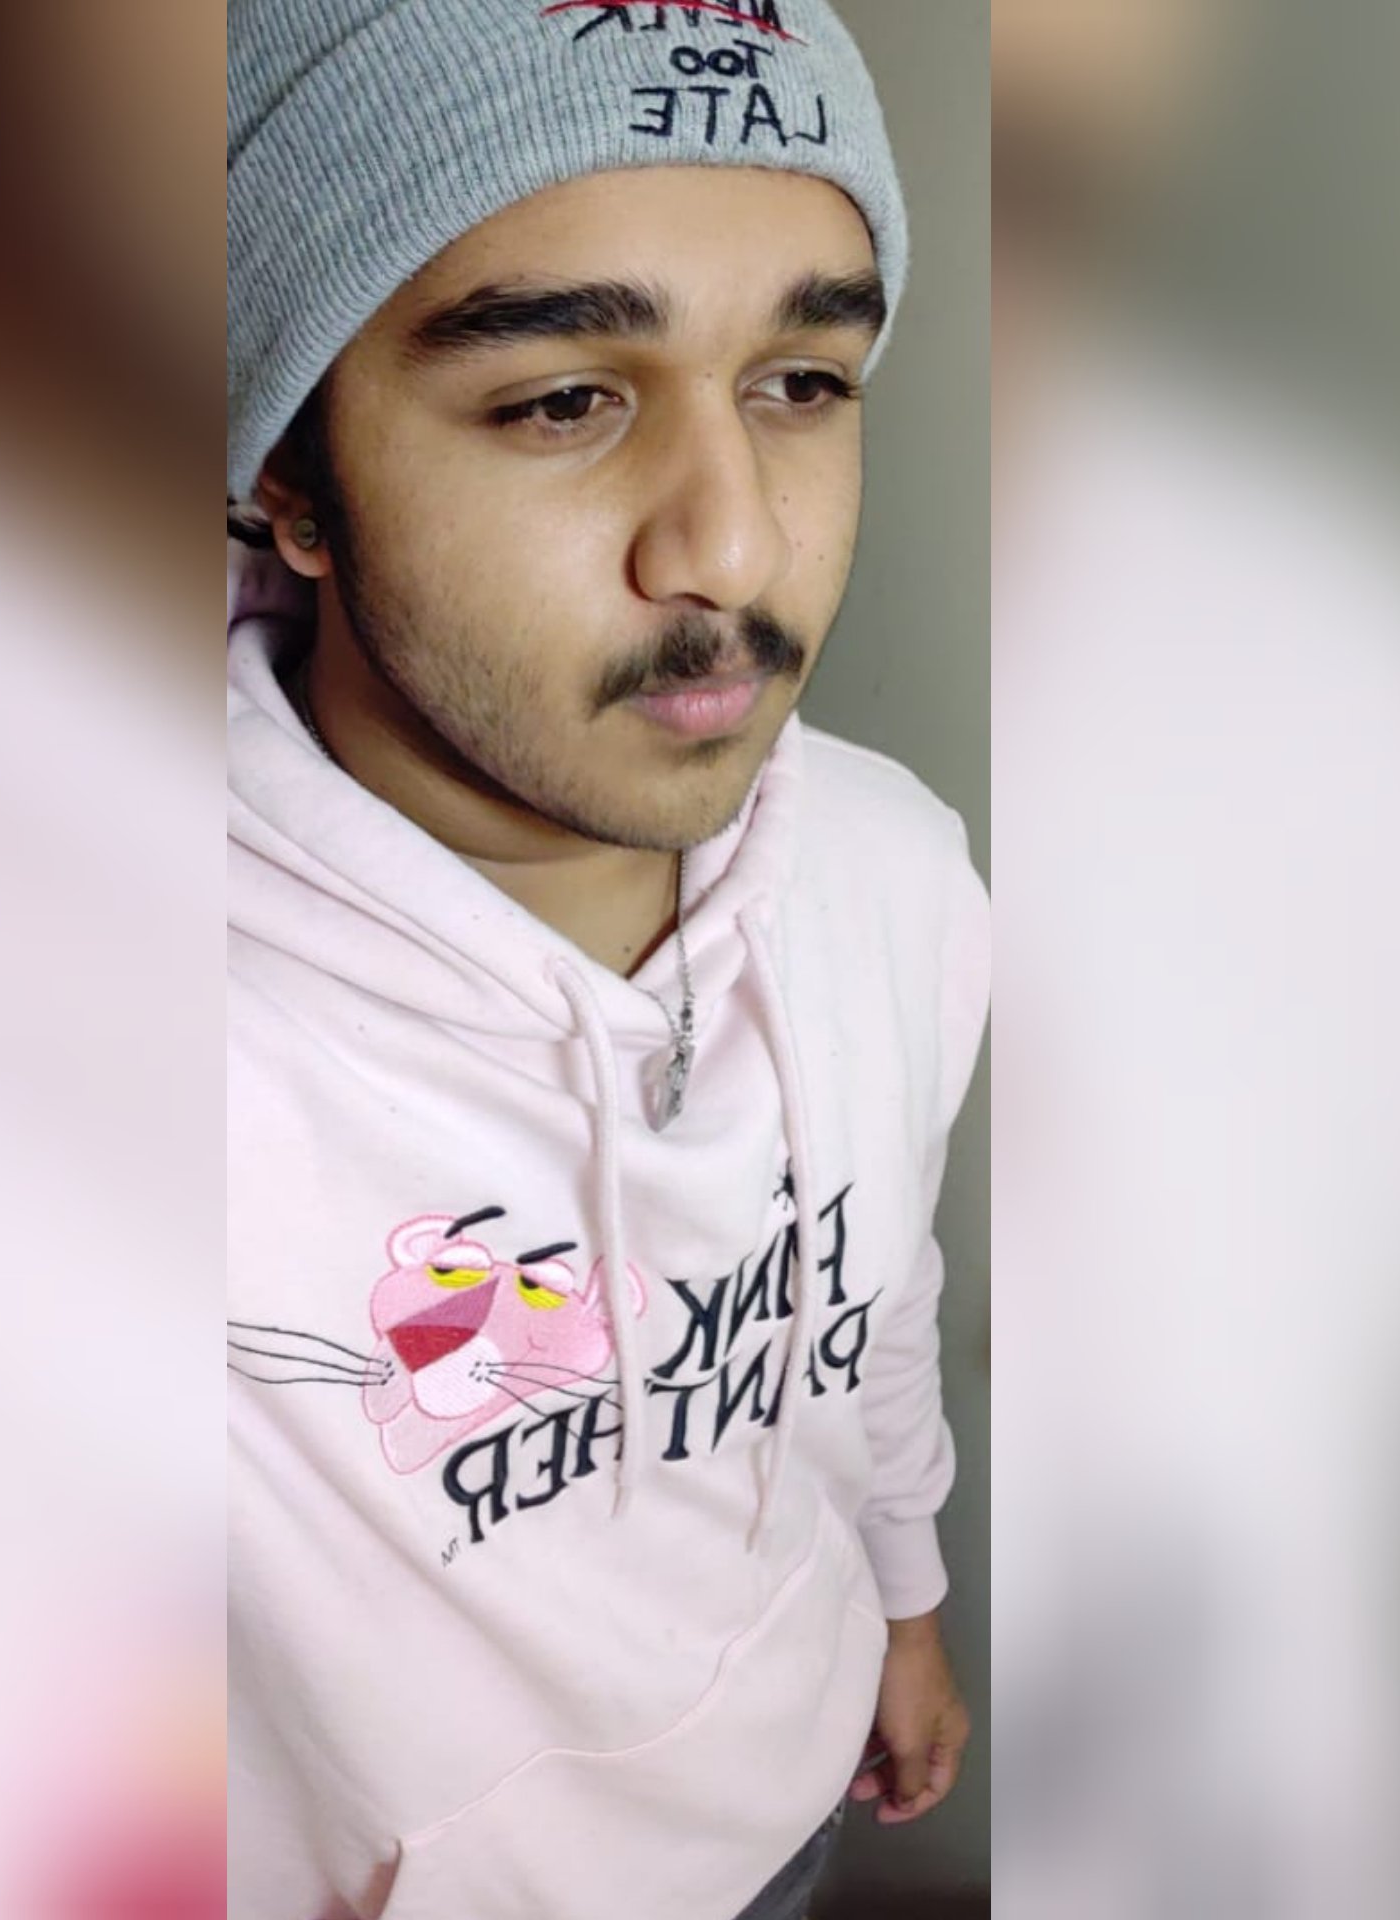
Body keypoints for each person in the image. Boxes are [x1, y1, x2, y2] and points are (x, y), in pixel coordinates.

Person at [225, 4, 989, 1916]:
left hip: (796, 1799)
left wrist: (900, 1596)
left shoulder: (894, 869)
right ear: (288, 478)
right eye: (566, 398)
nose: (732, 544)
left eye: (801, 380)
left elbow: (872, 1288)